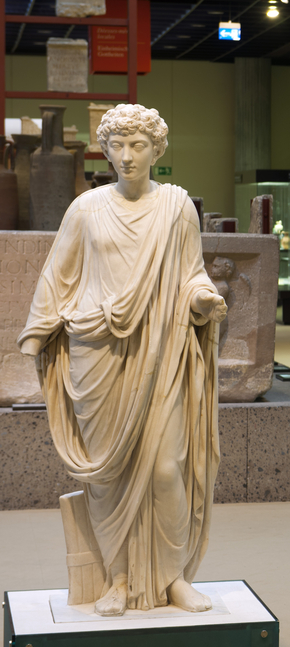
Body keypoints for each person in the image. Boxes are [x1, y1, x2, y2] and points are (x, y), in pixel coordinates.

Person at [19, 104, 226, 616]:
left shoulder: (177, 207)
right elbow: (57, 276)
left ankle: (173, 576)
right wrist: (36, 335)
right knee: (107, 474)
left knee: (165, 469)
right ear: (104, 150)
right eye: (117, 145)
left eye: (138, 145)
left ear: (158, 149)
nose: (127, 156)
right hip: (98, 352)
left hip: (162, 349)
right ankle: (117, 578)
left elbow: (191, 274)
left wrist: (202, 299)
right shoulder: (86, 208)